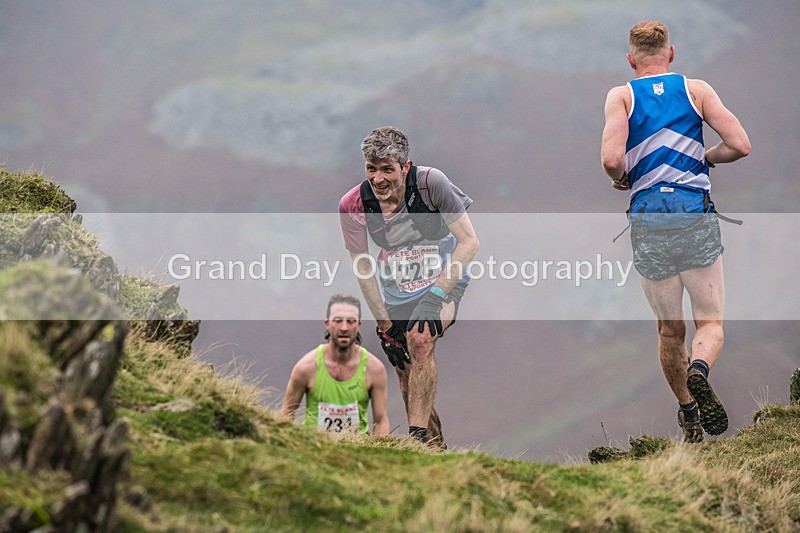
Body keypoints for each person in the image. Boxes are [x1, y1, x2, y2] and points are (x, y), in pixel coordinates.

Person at [601, 21, 751, 442]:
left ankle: (688, 413)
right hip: (693, 212)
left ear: (631, 60)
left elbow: (612, 160)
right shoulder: (696, 90)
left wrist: (628, 176)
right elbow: (740, 144)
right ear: (671, 54)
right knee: (711, 322)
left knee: (670, 331)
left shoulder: (622, 96)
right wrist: (705, 158)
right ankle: (700, 369)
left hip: (649, 218)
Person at [339, 126, 479, 447]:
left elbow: (469, 243)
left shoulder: (431, 184)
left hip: (444, 280)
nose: (378, 179)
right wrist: (383, 324)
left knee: (420, 339)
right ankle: (434, 449)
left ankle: (414, 442)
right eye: (371, 169)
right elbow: (362, 265)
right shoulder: (353, 205)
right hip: (395, 291)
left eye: (387, 169)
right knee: (406, 375)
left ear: (405, 167)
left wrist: (436, 296)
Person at [281, 293, 389, 436]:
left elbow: (381, 420)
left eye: (351, 321)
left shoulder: (375, 369)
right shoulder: (305, 368)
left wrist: (377, 454)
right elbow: (286, 415)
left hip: (357, 451)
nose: (344, 327)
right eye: (337, 320)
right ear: (327, 323)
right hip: (314, 449)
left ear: (358, 324)